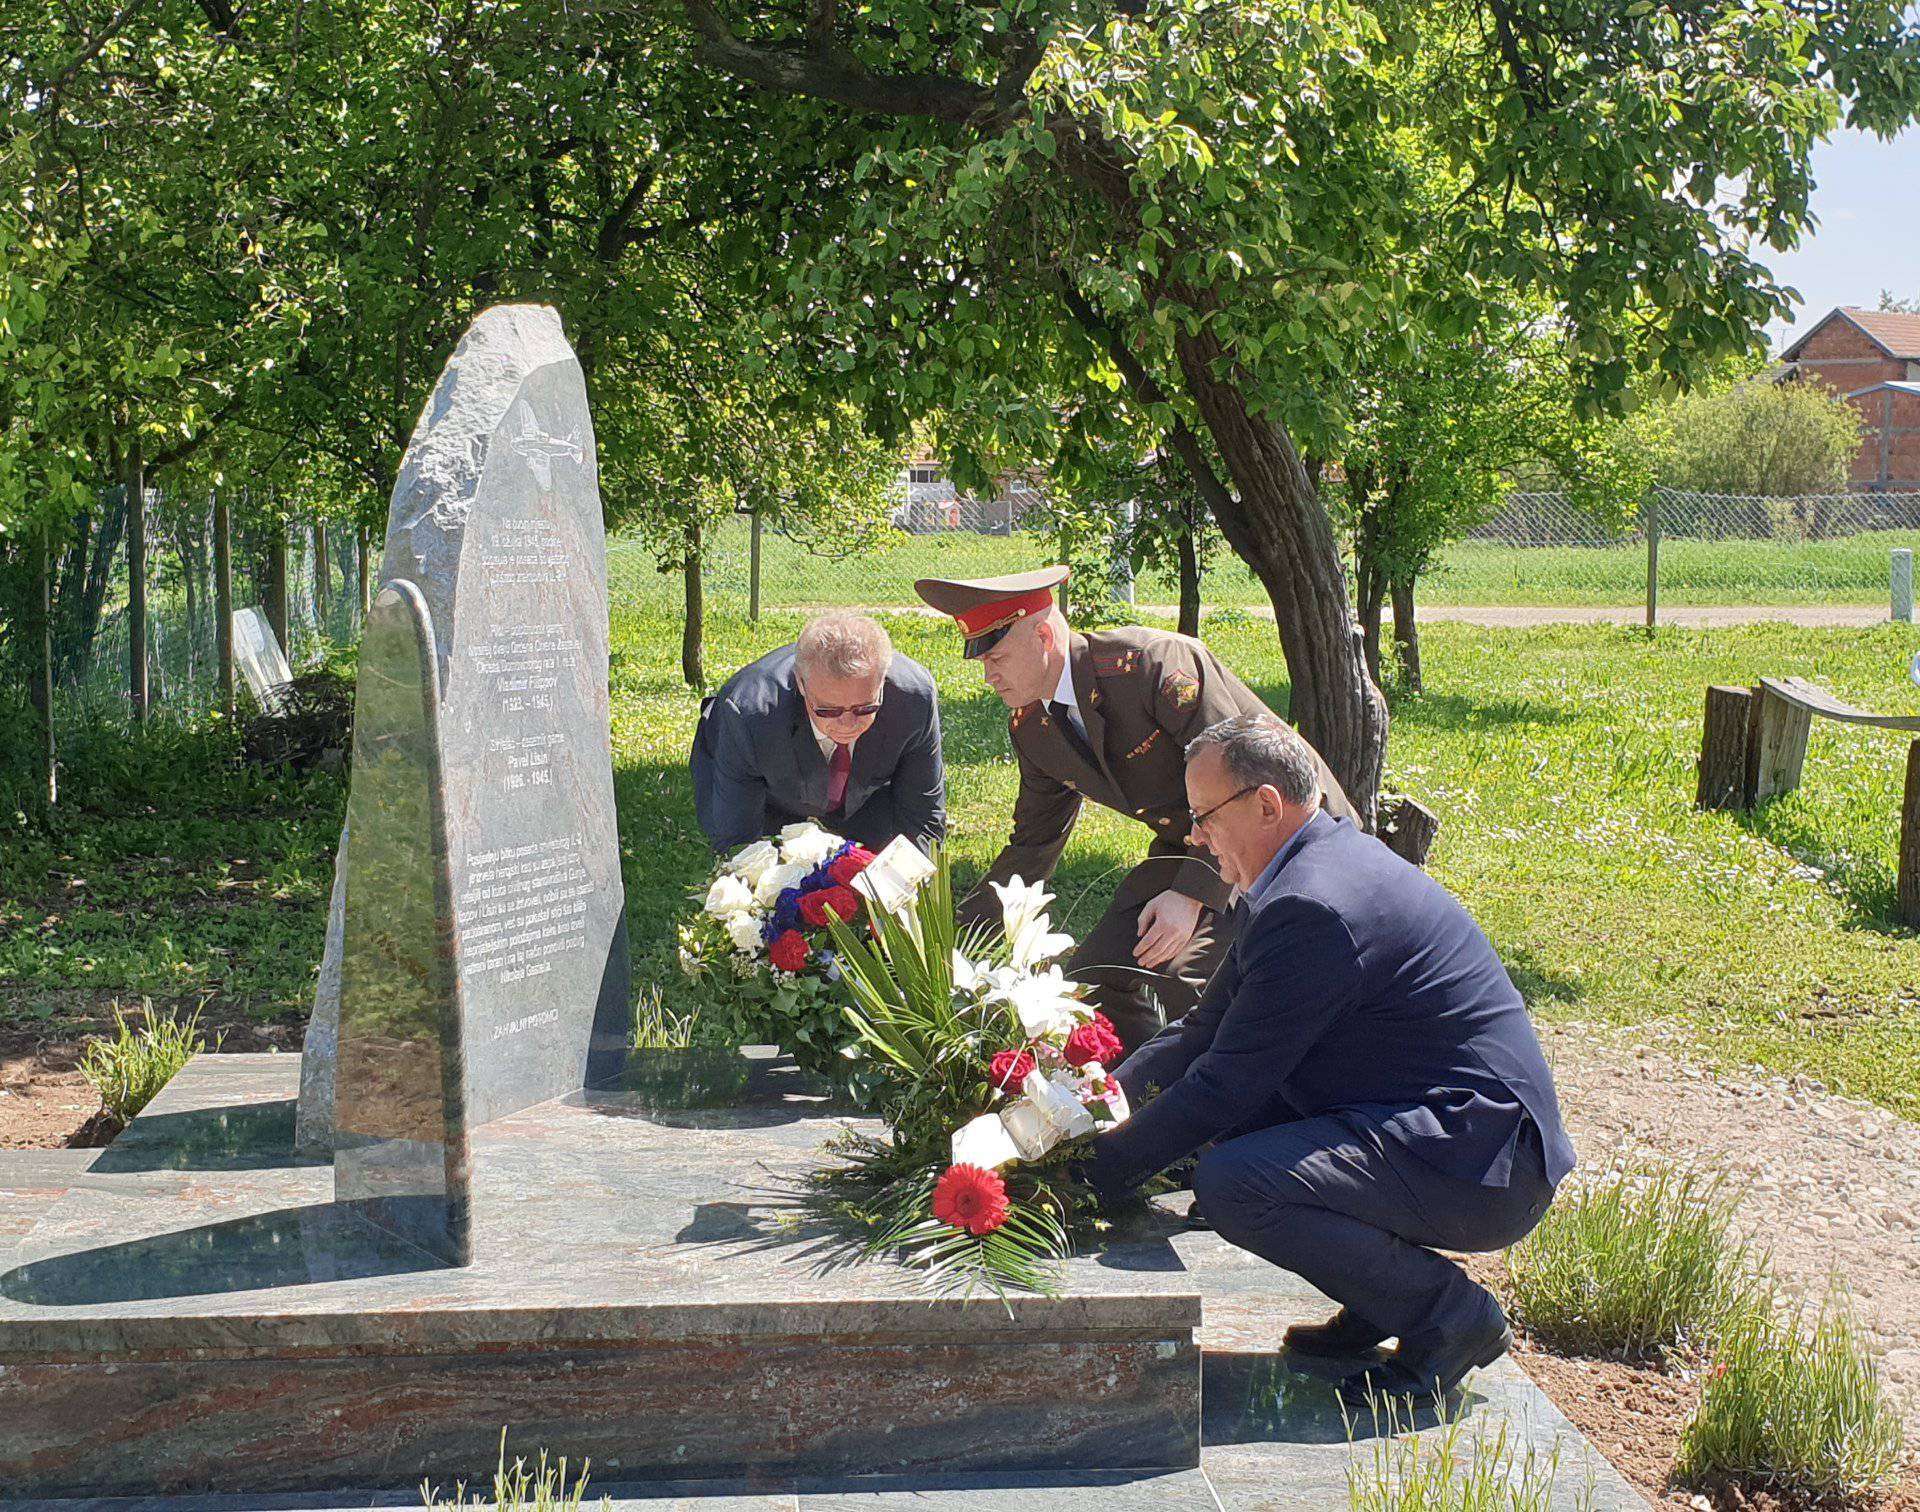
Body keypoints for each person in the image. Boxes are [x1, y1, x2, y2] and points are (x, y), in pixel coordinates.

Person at [1084, 714, 1576, 1405]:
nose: (1194, 835)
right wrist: (1089, 1100)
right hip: (1436, 1127)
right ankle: (1380, 1296)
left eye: (1203, 816)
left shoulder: (1314, 904)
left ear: (1264, 805)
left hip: (1483, 1163)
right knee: (1248, 1127)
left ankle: (1448, 1317)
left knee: (1236, 1182)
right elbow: (1203, 1033)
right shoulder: (1302, 872)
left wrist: (1087, 1178)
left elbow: (1224, 1083)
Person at [913, 566, 1354, 1055]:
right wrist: (955, 934)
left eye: (997, 656)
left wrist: (1190, 896)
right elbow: (1034, 842)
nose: (989, 674)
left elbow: (1248, 787)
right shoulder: (1033, 725)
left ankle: (1244, 1108)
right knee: (1093, 977)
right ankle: (1157, 1094)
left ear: (1043, 635)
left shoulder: (1151, 668)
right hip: (1194, 839)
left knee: (1188, 978)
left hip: (1283, 837)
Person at [691, 611, 946, 854]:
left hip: (864, 791)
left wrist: (908, 886)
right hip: (767, 785)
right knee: (770, 868)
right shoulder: (750, 714)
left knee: (883, 862)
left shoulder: (914, 699)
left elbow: (922, 821)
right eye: (827, 710)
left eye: (865, 708)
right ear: (801, 684)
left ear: (882, 683)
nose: (847, 725)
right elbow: (737, 839)